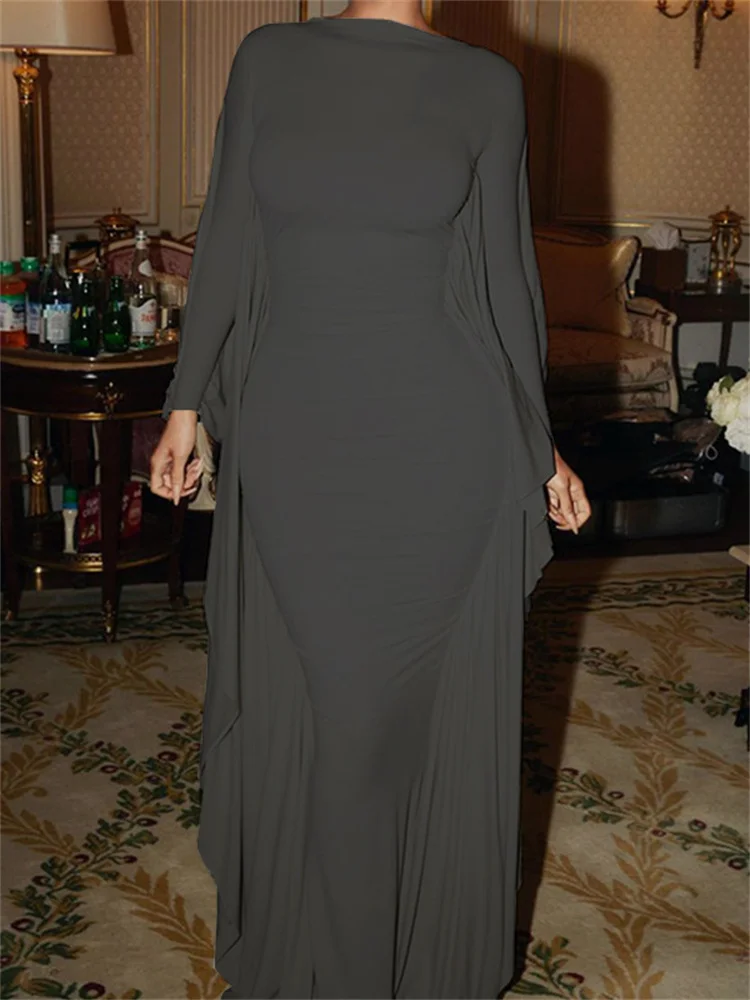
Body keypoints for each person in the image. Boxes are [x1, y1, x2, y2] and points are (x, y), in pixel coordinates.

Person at [150, 2, 591, 997]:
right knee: (333, 713)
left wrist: (541, 447)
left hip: (442, 445)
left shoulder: (486, 86)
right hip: (296, 443)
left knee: (367, 731)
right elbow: (227, 235)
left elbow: (507, 283)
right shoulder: (270, 58)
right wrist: (185, 404)